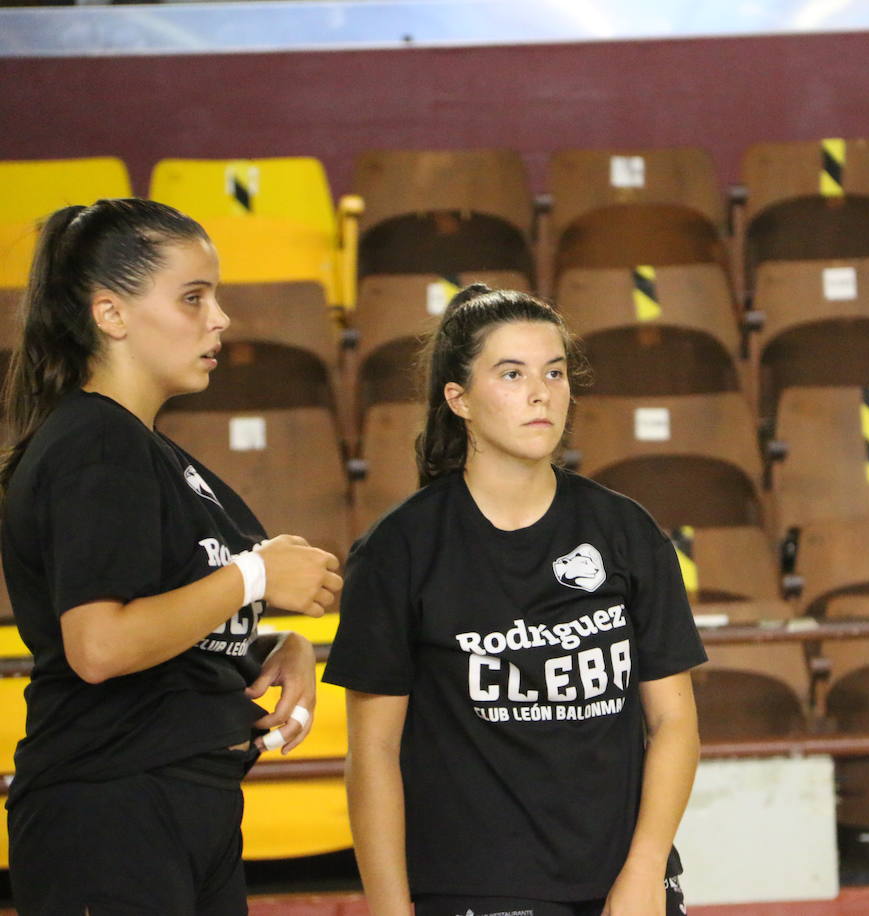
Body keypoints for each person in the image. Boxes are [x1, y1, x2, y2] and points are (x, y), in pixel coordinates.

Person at [0, 198, 344, 915]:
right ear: (111, 315)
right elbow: (98, 645)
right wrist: (254, 573)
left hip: (187, 802)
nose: (219, 318)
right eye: (193, 297)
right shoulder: (96, 442)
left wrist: (268, 647)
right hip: (110, 810)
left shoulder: (151, 452)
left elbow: (167, 621)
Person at [323, 284, 706, 916]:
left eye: (554, 372)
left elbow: (674, 723)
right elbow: (373, 758)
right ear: (460, 399)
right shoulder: (399, 550)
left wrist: (644, 869)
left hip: (626, 883)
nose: (541, 393)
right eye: (511, 373)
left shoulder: (626, 531)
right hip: (475, 886)